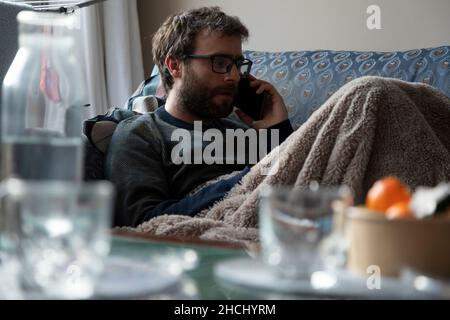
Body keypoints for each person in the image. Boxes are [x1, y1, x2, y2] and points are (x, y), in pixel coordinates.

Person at [104, 7, 294, 227]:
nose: (233, 76)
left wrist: (278, 128)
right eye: (220, 63)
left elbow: (294, 182)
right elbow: (144, 223)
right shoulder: (142, 134)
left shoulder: (243, 128)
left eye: (237, 65)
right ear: (175, 65)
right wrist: (248, 179)